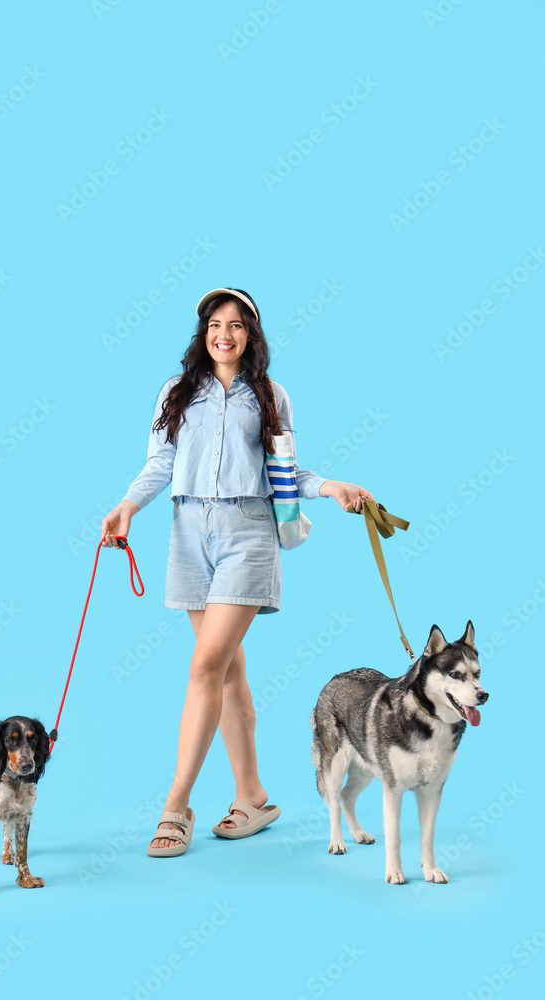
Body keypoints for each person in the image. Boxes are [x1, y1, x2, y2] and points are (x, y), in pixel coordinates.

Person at [101, 287, 375, 857]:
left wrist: (332, 487)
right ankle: (252, 796)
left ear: (252, 335)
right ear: (203, 334)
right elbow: (161, 464)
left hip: (248, 533)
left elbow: (287, 473)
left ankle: (176, 804)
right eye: (214, 325)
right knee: (226, 672)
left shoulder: (271, 396)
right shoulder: (175, 393)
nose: (224, 334)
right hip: (186, 533)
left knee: (205, 666)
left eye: (236, 325)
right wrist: (127, 506)